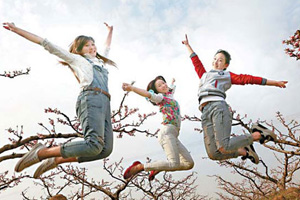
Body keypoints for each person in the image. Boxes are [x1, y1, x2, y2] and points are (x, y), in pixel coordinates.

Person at [3, 22, 116, 178]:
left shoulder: (101, 63)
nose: (92, 47)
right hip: (91, 99)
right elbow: (45, 43)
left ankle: (56, 160)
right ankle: (42, 153)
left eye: (93, 44)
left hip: (105, 103)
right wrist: (17, 30)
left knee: (105, 150)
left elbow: (107, 47)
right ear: (79, 50)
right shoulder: (77, 60)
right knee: (93, 144)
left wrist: (110, 31)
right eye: (87, 46)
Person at [182, 34, 287, 164]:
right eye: (215, 58)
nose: (216, 61)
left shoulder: (225, 75)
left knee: (223, 146)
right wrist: (187, 45)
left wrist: (274, 82)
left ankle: (258, 134)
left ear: (225, 65)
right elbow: (195, 61)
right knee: (213, 153)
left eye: (220, 60)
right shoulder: (204, 75)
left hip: (217, 107)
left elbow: (248, 79)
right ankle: (244, 151)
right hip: (204, 112)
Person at [122, 76, 194, 181]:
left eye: (164, 83)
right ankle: (141, 167)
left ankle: (157, 168)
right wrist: (132, 88)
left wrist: (172, 83)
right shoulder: (160, 98)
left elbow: (171, 89)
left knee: (189, 164)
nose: (164, 85)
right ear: (157, 91)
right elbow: (148, 94)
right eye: (160, 85)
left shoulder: (170, 96)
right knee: (173, 164)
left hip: (174, 135)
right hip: (167, 133)